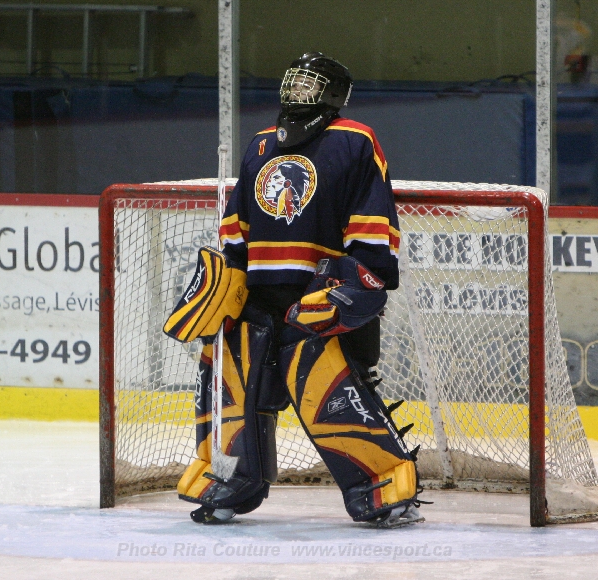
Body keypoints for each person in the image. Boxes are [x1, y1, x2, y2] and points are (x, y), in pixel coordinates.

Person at [164, 52, 422, 528]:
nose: (297, 91)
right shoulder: (261, 143)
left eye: (310, 84)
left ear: (335, 94)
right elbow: (237, 228)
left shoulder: (355, 139)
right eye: (294, 81)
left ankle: (383, 488)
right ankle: (228, 481)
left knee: (336, 393)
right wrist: (227, 278)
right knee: (235, 394)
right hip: (258, 298)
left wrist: (363, 280)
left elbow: (372, 221)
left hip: (319, 295)